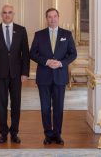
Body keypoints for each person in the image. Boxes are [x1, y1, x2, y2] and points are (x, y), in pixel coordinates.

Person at [30, 8, 77, 145]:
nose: (52, 19)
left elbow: (73, 54)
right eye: (49, 17)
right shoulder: (39, 35)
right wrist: (46, 61)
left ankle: (57, 134)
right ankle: (48, 134)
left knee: (58, 107)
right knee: (45, 108)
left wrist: (61, 63)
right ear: (46, 19)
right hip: (44, 77)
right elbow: (32, 53)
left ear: (58, 17)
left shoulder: (66, 34)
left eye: (55, 16)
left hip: (60, 76)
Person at [0, 4, 30, 144]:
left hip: (17, 74)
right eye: (4, 12)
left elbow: (26, 54)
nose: (7, 15)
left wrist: (25, 72)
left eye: (10, 12)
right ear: (1, 14)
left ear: (13, 14)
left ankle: (15, 133)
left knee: (16, 104)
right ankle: (3, 133)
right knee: (2, 105)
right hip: (0, 73)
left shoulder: (21, 30)